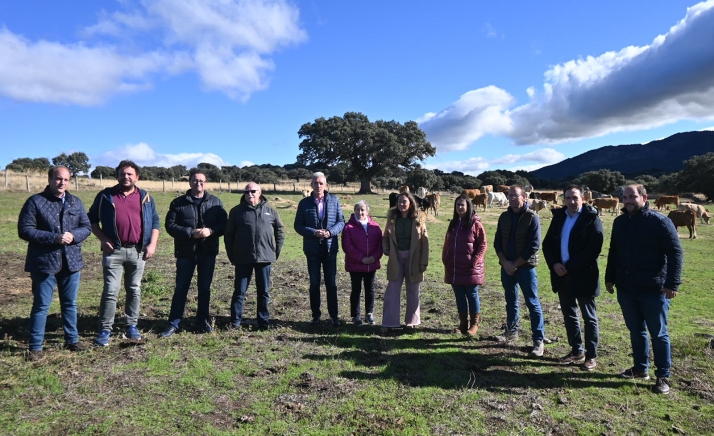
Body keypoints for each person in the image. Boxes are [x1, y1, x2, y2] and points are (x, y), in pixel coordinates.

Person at [606, 184, 683, 395]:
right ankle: (640, 368)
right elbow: (614, 251)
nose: (628, 200)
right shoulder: (620, 222)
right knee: (636, 330)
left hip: (653, 289)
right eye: (625, 197)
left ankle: (663, 376)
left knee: (658, 333)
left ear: (644, 197)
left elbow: (676, 253)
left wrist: (672, 284)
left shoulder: (659, 222)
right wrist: (610, 278)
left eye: (632, 196)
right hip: (626, 287)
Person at [18, 166, 92, 361]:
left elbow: (86, 227)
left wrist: (74, 235)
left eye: (66, 180)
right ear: (50, 179)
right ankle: (35, 347)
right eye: (59, 179)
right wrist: (54, 238)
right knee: (42, 305)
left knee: (70, 304)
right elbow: (25, 230)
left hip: (71, 262)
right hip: (44, 263)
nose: (62, 183)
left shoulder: (75, 202)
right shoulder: (35, 202)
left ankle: (72, 340)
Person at [88, 160, 160, 346]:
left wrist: (152, 244)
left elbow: (155, 223)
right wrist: (103, 239)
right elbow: (91, 220)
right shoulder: (105, 196)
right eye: (122, 173)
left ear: (137, 177)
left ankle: (131, 326)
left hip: (138, 251)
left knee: (134, 289)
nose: (126, 177)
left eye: (130, 174)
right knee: (111, 290)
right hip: (114, 252)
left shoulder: (146, 197)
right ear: (117, 175)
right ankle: (105, 329)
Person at [160, 169, 227, 337]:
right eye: (195, 181)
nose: (199, 183)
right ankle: (174, 323)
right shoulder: (178, 203)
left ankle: (202, 321)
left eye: (202, 181)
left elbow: (224, 224)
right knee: (181, 288)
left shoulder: (216, 202)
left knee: (204, 288)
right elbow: (170, 225)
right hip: (185, 253)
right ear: (189, 182)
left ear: (206, 183)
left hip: (208, 252)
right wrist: (191, 232)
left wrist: (211, 231)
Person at [542, 185, 603, 371]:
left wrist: (568, 266)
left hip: (584, 276)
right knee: (569, 315)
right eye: (568, 198)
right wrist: (554, 264)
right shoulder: (559, 217)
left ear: (582, 199)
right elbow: (547, 245)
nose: (571, 201)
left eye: (575, 198)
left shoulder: (592, 219)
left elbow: (593, 250)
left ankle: (591, 355)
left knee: (589, 317)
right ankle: (577, 350)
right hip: (562, 276)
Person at [494, 185, 546, 356]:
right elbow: (497, 242)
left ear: (524, 197)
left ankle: (538, 340)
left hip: (525, 267)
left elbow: (534, 245)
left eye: (515, 196)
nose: (512, 198)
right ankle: (511, 332)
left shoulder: (532, 217)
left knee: (532, 302)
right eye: (510, 196)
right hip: (507, 266)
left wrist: (515, 263)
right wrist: (504, 262)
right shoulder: (504, 217)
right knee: (510, 300)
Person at [225, 182, 284, 329]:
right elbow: (228, 235)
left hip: (265, 257)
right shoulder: (236, 212)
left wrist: (274, 252)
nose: (249, 194)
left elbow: (280, 231)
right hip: (243, 258)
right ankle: (235, 321)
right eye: (246, 192)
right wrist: (232, 255)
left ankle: (263, 320)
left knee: (263, 291)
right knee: (239, 291)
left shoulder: (271, 210)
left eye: (253, 191)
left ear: (260, 192)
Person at [294, 172, 345, 327]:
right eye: (315, 183)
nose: (318, 185)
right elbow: (298, 225)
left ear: (326, 185)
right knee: (314, 283)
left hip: (330, 249)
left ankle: (334, 316)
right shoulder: (304, 204)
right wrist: (313, 232)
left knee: (331, 283)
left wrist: (330, 232)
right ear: (311, 185)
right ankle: (315, 315)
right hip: (312, 249)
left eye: (321, 183)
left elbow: (341, 221)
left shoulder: (335, 201)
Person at [381, 192, 429, 331]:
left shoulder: (418, 219)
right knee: (392, 291)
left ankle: (411, 322)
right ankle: (389, 323)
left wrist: (423, 262)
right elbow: (385, 237)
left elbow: (425, 242)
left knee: (413, 291)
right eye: (400, 201)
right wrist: (387, 250)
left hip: (414, 259)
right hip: (396, 258)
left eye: (405, 201)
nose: (402, 204)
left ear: (411, 203)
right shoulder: (392, 219)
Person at [442, 194, 487, 337]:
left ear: (468, 206)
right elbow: (447, 243)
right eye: (457, 205)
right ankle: (463, 323)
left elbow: (483, 245)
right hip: (454, 266)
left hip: (470, 268)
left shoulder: (475, 224)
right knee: (459, 296)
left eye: (462, 205)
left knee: (472, 295)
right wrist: (446, 258)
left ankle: (474, 324)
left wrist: (474, 261)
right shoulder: (453, 223)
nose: (460, 207)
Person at [341, 200, 383, 326]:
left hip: (371, 265)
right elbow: (347, 246)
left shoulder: (375, 227)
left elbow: (380, 245)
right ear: (354, 211)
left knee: (370, 289)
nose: (360, 212)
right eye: (358, 210)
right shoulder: (348, 227)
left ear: (367, 211)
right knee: (356, 290)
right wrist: (362, 258)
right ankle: (356, 315)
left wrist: (374, 258)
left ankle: (369, 313)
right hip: (355, 265)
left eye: (363, 210)